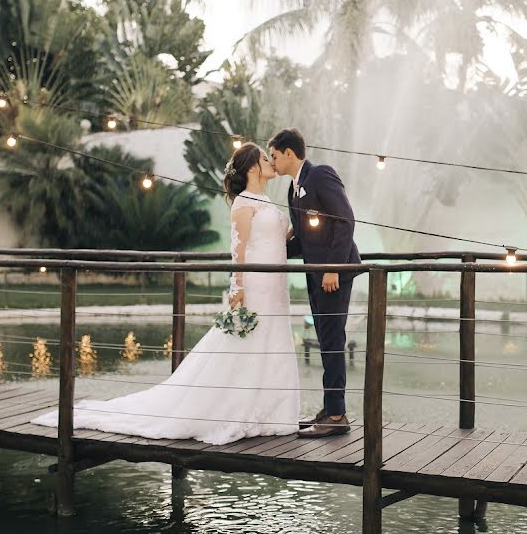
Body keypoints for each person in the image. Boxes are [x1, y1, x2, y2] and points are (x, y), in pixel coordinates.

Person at [31, 143, 299, 445]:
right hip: (254, 285)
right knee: (248, 344)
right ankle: (233, 409)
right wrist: (236, 287)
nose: (271, 163)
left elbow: (276, 241)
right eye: (266, 159)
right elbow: (238, 250)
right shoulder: (244, 204)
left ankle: (272, 411)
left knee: (272, 341)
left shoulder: (267, 202)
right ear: (252, 167)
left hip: (276, 285)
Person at [268, 128, 361, 438]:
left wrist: (332, 269)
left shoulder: (321, 175)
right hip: (316, 276)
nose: (273, 161)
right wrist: (268, 247)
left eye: (275, 155)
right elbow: (306, 242)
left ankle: (337, 416)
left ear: (290, 154)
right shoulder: (293, 190)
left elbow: (345, 220)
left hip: (334, 276)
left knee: (333, 341)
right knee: (325, 342)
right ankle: (330, 408)